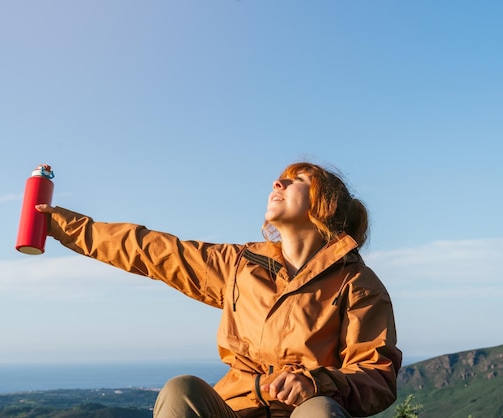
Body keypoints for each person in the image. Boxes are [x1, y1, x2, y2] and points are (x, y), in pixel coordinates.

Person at [36, 161, 402, 418]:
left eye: (296, 180)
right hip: (236, 408)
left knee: (318, 412)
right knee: (182, 391)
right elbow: (151, 250)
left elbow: (377, 377)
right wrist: (66, 227)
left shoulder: (358, 285)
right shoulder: (239, 264)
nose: (278, 184)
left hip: (306, 411)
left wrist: (316, 383)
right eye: (280, 179)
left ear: (324, 204)